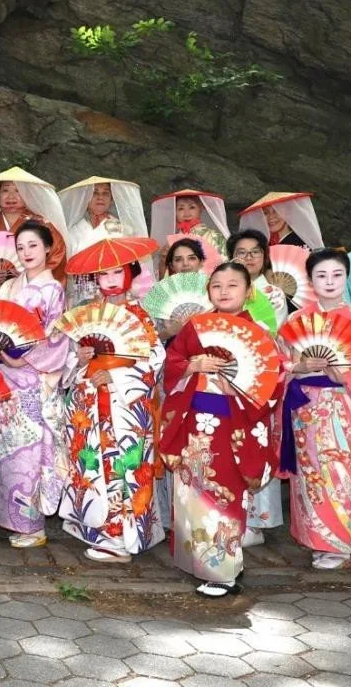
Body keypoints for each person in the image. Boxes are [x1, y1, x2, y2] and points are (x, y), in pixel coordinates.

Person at [158, 263, 275, 597]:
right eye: (217, 285)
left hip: (232, 426)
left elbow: (269, 382)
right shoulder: (195, 327)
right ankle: (197, 562)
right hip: (194, 422)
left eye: (233, 285)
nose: (224, 291)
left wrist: (235, 383)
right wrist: (192, 365)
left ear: (248, 290)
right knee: (193, 490)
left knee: (224, 494)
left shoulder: (259, 333)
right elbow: (173, 364)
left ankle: (223, 571)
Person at [280, 249, 351, 570]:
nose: (329, 282)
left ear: (346, 278)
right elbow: (280, 362)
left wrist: (346, 376)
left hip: (344, 405)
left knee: (338, 469)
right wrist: (300, 365)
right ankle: (313, 538)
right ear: (311, 280)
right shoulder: (295, 320)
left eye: (336, 275)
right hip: (304, 407)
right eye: (321, 275)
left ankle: (338, 544)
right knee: (308, 474)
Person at [58, 248, 167, 561]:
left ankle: (120, 537)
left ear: (130, 274)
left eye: (117, 272)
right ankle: (96, 526)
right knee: (94, 463)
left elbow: (155, 360)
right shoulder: (88, 313)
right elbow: (69, 361)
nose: (110, 280)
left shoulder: (140, 315)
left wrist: (116, 374)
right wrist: (78, 360)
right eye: (103, 274)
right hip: (90, 401)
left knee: (124, 464)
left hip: (124, 406)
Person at [0, 223, 71, 548]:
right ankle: (7, 518)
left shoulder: (54, 290)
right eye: (20, 247)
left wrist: (23, 359)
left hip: (34, 381)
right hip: (5, 382)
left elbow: (56, 339)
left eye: (33, 246)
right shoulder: (9, 288)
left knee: (30, 453)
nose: (26, 253)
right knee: (8, 451)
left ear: (48, 248)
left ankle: (32, 525)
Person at [224, 229, 289, 543]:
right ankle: (230, 514)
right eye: (240, 252)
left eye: (254, 252)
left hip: (257, 376)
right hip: (226, 375)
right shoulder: (224, 290)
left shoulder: (272, 294)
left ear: (265, 257)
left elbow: (273, 339)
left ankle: (257, 522)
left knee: (256, 443)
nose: (247, 258)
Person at [0, 167, 70, 283]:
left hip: (33, 293)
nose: (11, 196)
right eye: (5, 190)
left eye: (17, 191)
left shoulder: (42, 225)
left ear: (27, 195)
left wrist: (32, 276)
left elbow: (57, 256)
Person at [150, 189, 230, 269]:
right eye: (181, 209)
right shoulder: (171, 241)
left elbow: (225, 266)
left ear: (200, 209)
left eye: (192, 207)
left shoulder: (214, 236)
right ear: (175, 211)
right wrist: (164, 261)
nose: (187, 213)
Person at [238, 192, 324, 249]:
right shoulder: (263, 244)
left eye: (276, 211)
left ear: (288, 213)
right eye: (265, 213)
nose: (271, 217)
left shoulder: (303, 241)